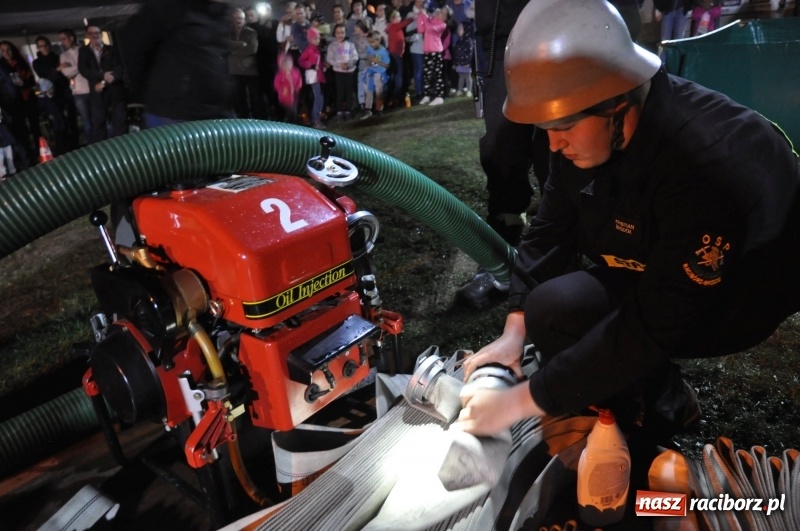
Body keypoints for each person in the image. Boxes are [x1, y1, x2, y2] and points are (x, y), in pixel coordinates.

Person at [456, 0, 800, 450]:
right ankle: (664, 397)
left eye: (562, 126)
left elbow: (655, 321)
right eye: (545, 127)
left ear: (617, 103)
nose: (554, 144)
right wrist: (513, 332)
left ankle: (650, 427)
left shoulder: (706, 162)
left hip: (741, 289)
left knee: (624, 335)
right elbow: (550, 228)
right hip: (660, 262)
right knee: (551, 308)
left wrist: (520, 402)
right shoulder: (588, 122)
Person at [454, 0, 550, 309]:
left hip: (559, 24)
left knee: (554, 147)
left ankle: (559, 252)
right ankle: (501, 259)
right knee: (501, 151)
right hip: (499, 38)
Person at [120, 0, 234, 129]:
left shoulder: (219, 12)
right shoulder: (167, 7)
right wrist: (156, 95)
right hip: (174, 116)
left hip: (215, 111)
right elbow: (134, 48)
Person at [78, 24, 127, 142]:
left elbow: (119, 68)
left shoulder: (111, 49)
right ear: (87, 36)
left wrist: (106, 80)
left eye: (97, 33)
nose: (95, 36)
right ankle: (102, 153)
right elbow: (83, 70)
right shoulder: (84, 51)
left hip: (115, 90)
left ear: (101, 34)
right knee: (98, 123)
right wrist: (101, 76)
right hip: (97, 92)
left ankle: (123, 148)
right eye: (91, 33)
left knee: (120, 120)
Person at [58, 29, 92, 146]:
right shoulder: (63, 56)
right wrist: (82, 67)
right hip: (78, 92)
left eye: (63, 39)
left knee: (100, 117)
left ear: (71, 38)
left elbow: (91, 66)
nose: (62, 42)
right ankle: (92, 145)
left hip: (91, 88)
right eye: (61, 39)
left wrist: (75, 68)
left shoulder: (84, 50)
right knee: (86, 121)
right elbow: (66, 73)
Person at [416, 7, 448, 106]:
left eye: (442, 13)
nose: (439, 13)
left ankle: (439, 96)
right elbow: (420, 29)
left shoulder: (442, 25)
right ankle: (427, 95)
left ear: (445, 18)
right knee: (427, 75)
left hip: (436, 51)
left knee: (437, 75)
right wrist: (420, 17)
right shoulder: (431, 20)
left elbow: (430, 28)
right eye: (440, 11)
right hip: (427, 51)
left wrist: (425, 16)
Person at [326, 23, 358, 120]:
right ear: (334, 34)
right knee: (340, 91)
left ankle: (348, 110)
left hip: (349, 72)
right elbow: (329, 58)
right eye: (338, 33)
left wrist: (349, 64)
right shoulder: (332, 46)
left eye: (342, 33)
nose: (340, 35)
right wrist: (339, 65)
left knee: (349, 91)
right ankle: (339, 110)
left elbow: (355, 56)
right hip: (338, 72)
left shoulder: (350, 45)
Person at [298, 27, 326, 128]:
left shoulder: (316, 50)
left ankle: (317, 117)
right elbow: (301, 61)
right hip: (313, 78)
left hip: (318, 76)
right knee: (317, 98)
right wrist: (311, 65)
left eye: (318, 38)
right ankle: (315, 120)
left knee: (320, 97)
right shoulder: (309, 50)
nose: (317, 40)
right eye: (315, 38)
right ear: (310, 39)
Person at [361, 30, 390, 119]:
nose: (371, 44)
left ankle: (379, 110)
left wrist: (378, 62)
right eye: (369, 42)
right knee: (368, 90)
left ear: (378, 40)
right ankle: (368, 109)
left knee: (379, 92)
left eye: (372, 42)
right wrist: (368, 59)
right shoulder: (369, 48)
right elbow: (366, 57)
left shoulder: (383, 51)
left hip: (379, 73)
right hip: (370, 71)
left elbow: (387, 65)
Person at [273, 53, 302, 123]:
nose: (286, 65)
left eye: (288, 63)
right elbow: (276, 84)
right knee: (288, 111)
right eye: (284, 64)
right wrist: (282, 90)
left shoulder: (295, 71)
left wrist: (298, 88)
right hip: (285, 97)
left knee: (294, 111)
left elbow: (299, 80)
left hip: (294, 95)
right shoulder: (280, 74)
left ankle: (295, 123)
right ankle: (290, 124)